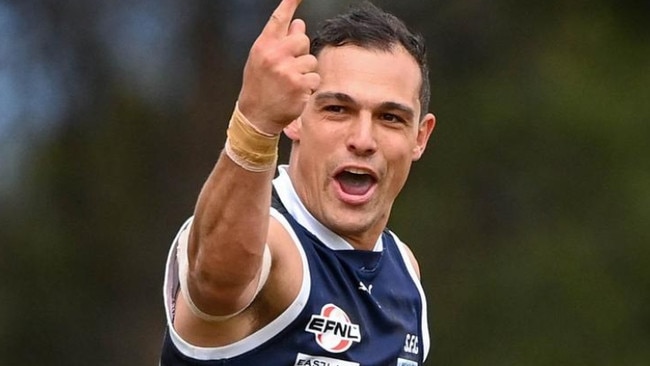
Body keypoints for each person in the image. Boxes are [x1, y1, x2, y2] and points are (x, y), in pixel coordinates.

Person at [161, 0, 436, 364]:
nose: (363, 139)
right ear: (295, 117)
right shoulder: (273, 243)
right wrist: (254, 125)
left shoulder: (404, 272)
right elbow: (214, 280)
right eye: (337, 109)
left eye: (390, 117)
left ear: (420, 137)